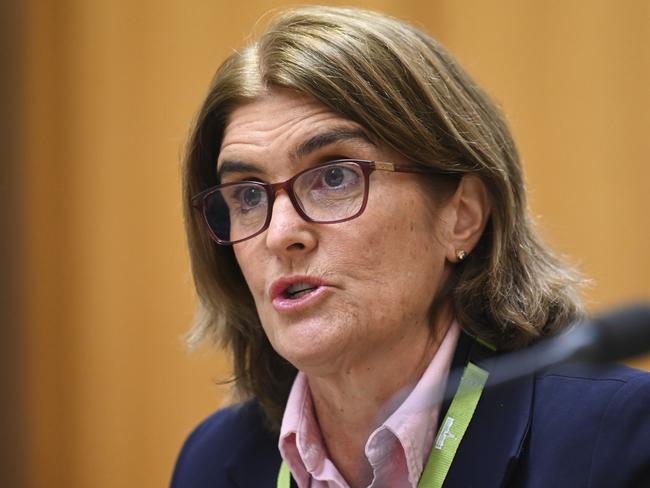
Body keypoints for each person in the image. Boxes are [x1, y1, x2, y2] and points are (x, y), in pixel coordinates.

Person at [171, 6, 650, 488]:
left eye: (334, 177)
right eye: (248, 195)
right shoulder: (216, 463)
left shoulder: (618, 441)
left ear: (461, 216)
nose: (280, 234)